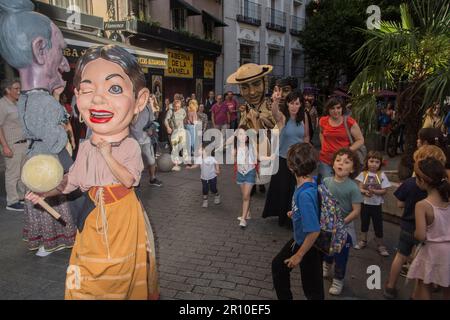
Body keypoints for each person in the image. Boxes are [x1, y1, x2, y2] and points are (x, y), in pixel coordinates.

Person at [26, 45, 159, 300]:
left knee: (119, 280)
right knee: (85, 278)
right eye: (87, 90)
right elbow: (70, 183)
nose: (97, 99)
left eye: (115, 88)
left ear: (139, 101)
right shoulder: (86, 147)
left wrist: (107, 154)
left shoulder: (130, 145)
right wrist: (44, 192)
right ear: (77, 96)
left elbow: (129, 179)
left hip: (122, 219)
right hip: (92, 219)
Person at [0, 0, 77, 257]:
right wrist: (57, 103)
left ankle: (45, 240)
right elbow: (56, 142)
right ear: (40, 49)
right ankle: (55, 238)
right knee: (52, 197)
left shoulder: (23, 98)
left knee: (37, 199)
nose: (65, 64)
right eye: (60, 50)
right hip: (49, 164)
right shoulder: (44, 101)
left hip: (33, 159)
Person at [383, 145, 446, 299]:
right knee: (421, 269)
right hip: (432, 236)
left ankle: (390, 286)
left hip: (408, 228)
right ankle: (414, 294)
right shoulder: (443, 192)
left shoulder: (411, 184)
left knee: (400, 256)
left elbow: (399, 203)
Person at [271, 143, 324, 300]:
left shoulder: (304, 195)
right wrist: (296, 213)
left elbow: (314, 231)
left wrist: (299, 255)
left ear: (291, 166)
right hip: (300, 239)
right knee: (279, 266)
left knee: (312, 290)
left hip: (309, 246)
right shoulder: (309, 181)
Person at [262, 88, 310, 227]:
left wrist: (305, 151)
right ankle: (282, 217)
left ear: (301, 104)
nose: (294, 106)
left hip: (298, 160)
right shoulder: (283, 118)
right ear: (287, 104)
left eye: (297, 103)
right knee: (282, 189)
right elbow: (274, 113)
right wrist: (275, 101)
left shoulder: (303, 117)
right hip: (283, 159)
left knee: (295, 189)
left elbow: (306, 136)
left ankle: (292, 217)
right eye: (292, 103)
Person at [407, 157, 450, 300]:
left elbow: (420, 235)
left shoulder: (422, 205)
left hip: (432, 251)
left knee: (425, 284)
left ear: (422, 181)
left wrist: (414, 233)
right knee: (447, 285)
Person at [322, 148, 363, 296]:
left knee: (341, 256)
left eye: (346, 162)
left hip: (344, 229)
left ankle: (338, 280)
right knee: (327, 250)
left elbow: (356, 211)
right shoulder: (326, 182)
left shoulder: (353, 188)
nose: (341, 163)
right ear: (332, 164)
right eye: (338, 160)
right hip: (327, 226)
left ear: (352, 169)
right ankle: (326, 266)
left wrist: (342, 222)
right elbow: (321, 201)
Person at [354, 151, 391, 256]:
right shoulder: (363, 174)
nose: (374, 164)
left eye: (377, 162)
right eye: (371, 161)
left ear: (380, 164)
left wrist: (374, 191)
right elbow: (360, 187)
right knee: (364, 223)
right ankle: (363, 240)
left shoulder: (381, 175)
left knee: (378, 224)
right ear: (367, 162)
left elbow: (385, 190)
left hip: (376, 205)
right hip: (365, 203)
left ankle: (380, 244)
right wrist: (364, 191)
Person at [319, 98, 365, 179]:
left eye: (338, 108)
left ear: (342, 108)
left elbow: (360, 140)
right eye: (332, 108)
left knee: (341, 186)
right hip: (326, 160)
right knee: (327, 186)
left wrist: (349, 150)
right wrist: (324, 146)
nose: (335, 111)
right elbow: (321, 133)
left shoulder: (349, 122)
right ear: (328, 110)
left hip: (343, 161)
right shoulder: (323, 121)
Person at [0, 79, 27, 211]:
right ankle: (12, 201)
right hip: (12, 145)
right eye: (16, 88)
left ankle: (21, 197)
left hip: (23, 143)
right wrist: (5, 146)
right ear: (7, 90)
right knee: (12, 174)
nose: (19, 91)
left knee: (22, 173)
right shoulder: (2, 104)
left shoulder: (16, 103)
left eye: (19, 88)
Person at [130, 97, 163, 187]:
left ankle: (152, 179)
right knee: (135, 162)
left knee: (151, 160)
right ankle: (136, 181)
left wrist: (151, 129)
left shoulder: (148, 108)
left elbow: (152, 122)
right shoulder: (131, 107)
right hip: (133, 140)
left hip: (146, 140)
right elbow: (129, 123)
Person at [234, 126, 258, 228]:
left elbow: (258, 157)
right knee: (244, 195)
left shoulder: (251, 147)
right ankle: (248, 213)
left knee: (246, 196)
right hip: (240, 174)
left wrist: (269, 158)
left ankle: (243, 219)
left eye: (244, 134)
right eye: (240, 134)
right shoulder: (235, 148)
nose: (242, 136)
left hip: (250, 173)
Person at [165, 99, 188, 171]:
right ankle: (176, 164)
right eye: (176, 107)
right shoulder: (170, 111)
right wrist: (168, 127)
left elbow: (184, 118)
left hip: (182, 131)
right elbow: (165, 120)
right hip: (174, 132)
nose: (177, 108)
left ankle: (186, 161)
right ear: (173, 106)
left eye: (179, 106)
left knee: (184, 146)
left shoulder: (183, 111)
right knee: (175, 147)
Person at [185, 99, 199, 164]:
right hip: (192, 127)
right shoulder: (193, 111)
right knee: (193, 143)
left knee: (188, 142)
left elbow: (185, 120)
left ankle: (188, 159)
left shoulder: (187, 110)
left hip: (187, 126)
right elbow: (194, 122)